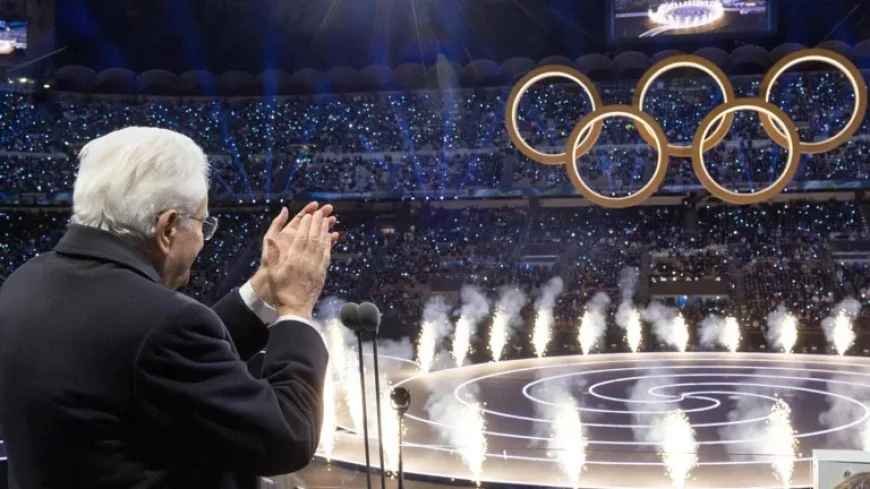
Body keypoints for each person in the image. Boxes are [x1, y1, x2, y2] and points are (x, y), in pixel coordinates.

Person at [0, 127, 338, 489]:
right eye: (203, 225)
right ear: (167, 228)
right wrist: (295, 308)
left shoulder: (23, 282)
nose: (204, 242)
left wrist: (264, 290)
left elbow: (150, 361)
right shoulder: (161, 324)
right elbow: (288, 436)